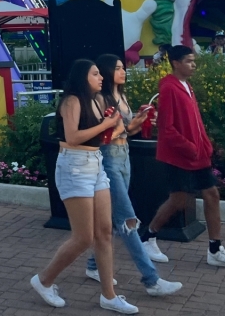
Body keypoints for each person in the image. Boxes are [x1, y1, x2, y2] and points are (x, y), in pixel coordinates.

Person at [31, 59, 139, 314]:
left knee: (104, 232)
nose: (101, 77)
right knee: (83, 237)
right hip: (74, 166)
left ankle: (109, 296)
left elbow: (104, 134)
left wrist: (117, 127)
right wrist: (107, 125)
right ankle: (44, 280)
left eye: (100, 73)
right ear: (82, 77)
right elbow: (73, 136)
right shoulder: (72, 101)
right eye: (95, 74)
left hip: (95, 162)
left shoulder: (99, 100)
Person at [139, 46, 225, 269]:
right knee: (178, 200)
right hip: (180, 156)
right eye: (188, 61)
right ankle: (147, 237)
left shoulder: (186, 86)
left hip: (196, 155)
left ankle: (215, 249)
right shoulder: (169, 88)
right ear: (176, 63)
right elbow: (166, 128)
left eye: (193, 60)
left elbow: (195, 122)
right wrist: (189, 147)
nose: (193, 64)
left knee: (212, 194)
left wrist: (204, 145)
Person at [85, 55, 182, 297]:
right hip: (109, 158)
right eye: (117, 68)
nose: (123, 72)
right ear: (107, 72)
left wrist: (139, 121)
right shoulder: (99, 98)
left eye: (123, 68)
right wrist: (124, 127)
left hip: (124, 156)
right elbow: (105, 132)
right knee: (128, 219)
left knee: (114, 217)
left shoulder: (121, 96)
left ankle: (93, 264)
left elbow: (126, 131)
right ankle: (151, 279)